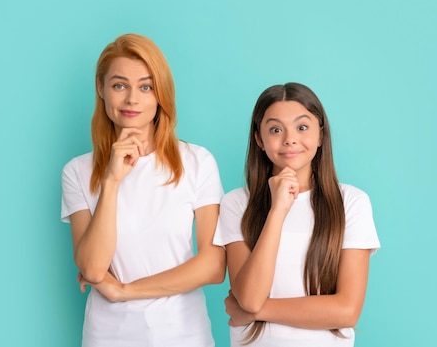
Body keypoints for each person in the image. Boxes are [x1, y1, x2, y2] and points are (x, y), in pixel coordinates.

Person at [61, 33, 226, 347]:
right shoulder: (77, 171)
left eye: (146, 87)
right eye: (119, 85)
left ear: (160, 93)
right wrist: (111, 181)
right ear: (101, 89)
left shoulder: (197, 162)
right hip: (109, 336)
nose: (132, 100)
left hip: (182, 334)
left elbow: (214, 265)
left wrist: (124, 291)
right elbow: (93, 268)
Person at [213, 82, 380, 347]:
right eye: (275, 129)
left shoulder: (351, 203)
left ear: (321, 135)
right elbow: (249, 296)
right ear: (259, 139)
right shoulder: (236, 203)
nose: (290, 139)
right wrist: (277, 211)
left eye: (302, 127)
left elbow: (347, 311)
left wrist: (256, 312)